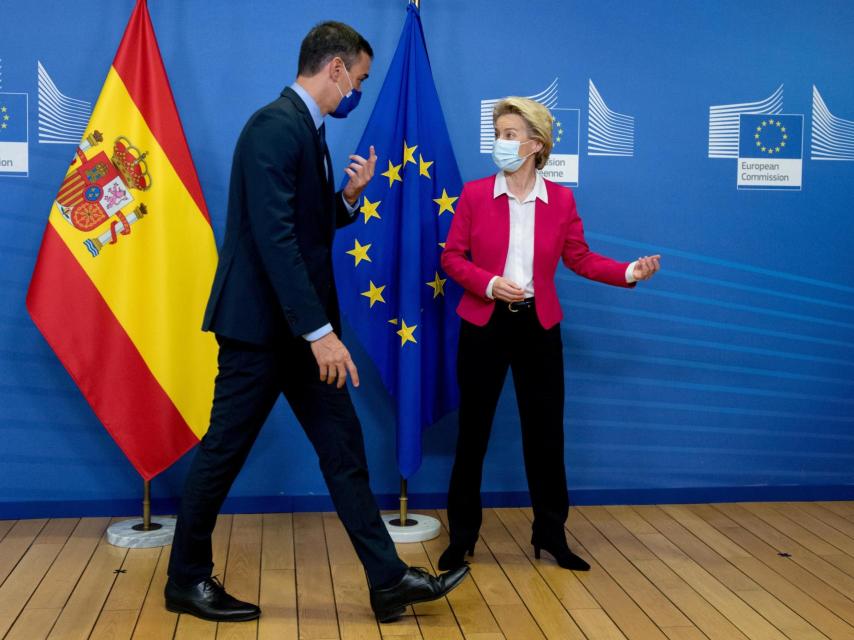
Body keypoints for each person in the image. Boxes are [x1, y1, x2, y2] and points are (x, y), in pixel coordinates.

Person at [164, 21, 468, 624]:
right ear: (334, 69)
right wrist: (322, 333)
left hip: (298, 336)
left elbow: (301, 226)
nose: (356, 90)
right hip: (261, 333)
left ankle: (387, 582)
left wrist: (347, 201)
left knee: (343, 448)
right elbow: (274, 240)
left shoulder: (308, 130)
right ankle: (186, 580)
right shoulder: (273, 127)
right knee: (223, 451)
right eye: (357, 78)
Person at [439, 97, 660, 572]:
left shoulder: (560, 200)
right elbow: (452, 258)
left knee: (546, 436)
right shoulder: (475, 194)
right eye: (498, 134)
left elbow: (579, 258)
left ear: (536, 144)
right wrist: (490, 283)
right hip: (484, 324)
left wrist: (628, 272)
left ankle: (551, 534)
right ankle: (462, 537)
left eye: (511, 134)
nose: (501, 142)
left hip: (538, 327)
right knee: (473, 434)